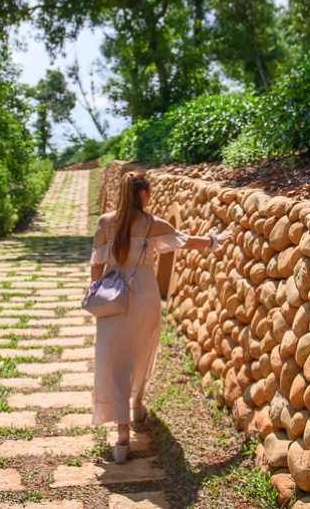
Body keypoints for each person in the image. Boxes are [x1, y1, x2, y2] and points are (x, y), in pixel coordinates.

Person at [88, 170, 234, 464]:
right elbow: (187, 241)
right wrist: (215, 239)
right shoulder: (153, 224)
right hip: (144, 295)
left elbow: (96, 265)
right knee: (142, 351)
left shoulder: (106, 223)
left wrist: (96, 291)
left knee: (114, 358)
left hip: (113, 296)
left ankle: (122, 435)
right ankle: (138, 402)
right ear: (143, 195)